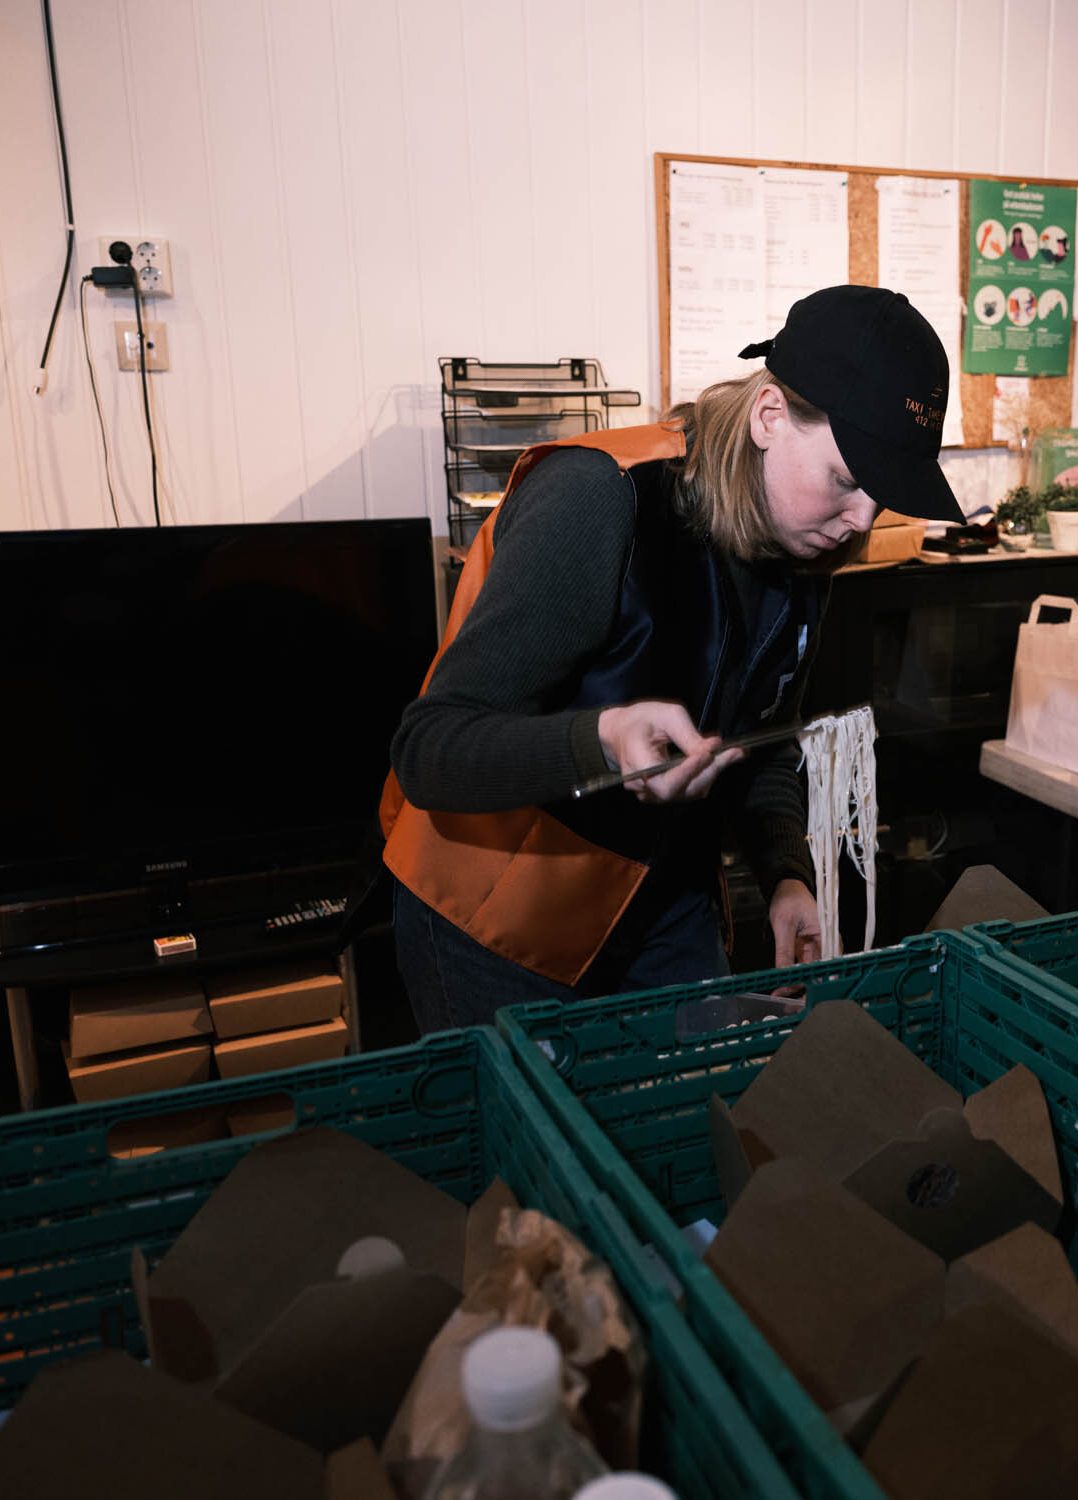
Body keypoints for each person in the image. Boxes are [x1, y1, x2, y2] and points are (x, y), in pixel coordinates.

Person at [379, 286, 961, 1035]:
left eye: (884, 500)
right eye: (847, 482)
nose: (861, 522)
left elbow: (765, 744)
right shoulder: (598, 499)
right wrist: (602, 742)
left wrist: (785, 874)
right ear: (770, 416)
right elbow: (429, 751)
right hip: (494, 914)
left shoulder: (808, 543)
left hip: (660, 899)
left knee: (690, 1130)